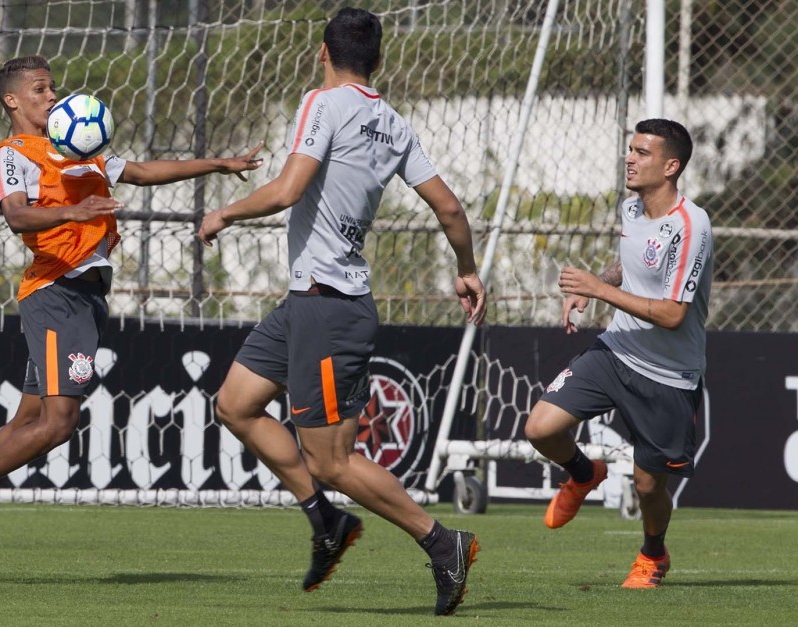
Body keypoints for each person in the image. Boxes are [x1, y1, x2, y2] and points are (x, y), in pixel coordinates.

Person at [0, 55, 264, 575]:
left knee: (31, 418)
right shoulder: (11, 154)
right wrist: (70, 212)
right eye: (39, 89)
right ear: (12, 99)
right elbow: (15, 214)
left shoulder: (79, 146)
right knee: (60, 421)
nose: (50, 95)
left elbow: (145, 171)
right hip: (55, 291)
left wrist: (217, 163)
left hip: (87, 300)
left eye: (52, 86)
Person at [198, 8, 487, 616]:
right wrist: (466, 268)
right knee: (236, 404)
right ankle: (325, 520)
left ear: (321, 53)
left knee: (331, 460)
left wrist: (224, 213)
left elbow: (287, 190)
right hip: (311, 300)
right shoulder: (394, 122)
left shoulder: (323, 103)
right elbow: (452, 211)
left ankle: (442, 542)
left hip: (328, 308)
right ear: (378, 63)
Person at [524, 119, 712, 588]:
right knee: (540, 429)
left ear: (671, 166)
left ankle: (652, 555)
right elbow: (629, 264)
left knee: (649, 487)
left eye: (642, 153)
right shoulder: (632, 209)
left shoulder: (692, 225)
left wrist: (596, 290)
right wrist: (597, 286)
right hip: (616, 351)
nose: (630, 158)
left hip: (669, 375)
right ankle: (585, 474)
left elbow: (672, 314)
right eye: (630, 149)